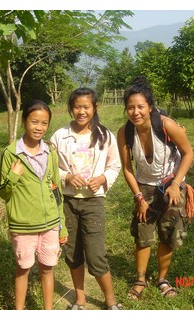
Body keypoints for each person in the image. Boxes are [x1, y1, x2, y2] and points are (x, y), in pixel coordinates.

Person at [117, 76, 193, 299]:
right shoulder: (125, 132)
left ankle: (162, 279)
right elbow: (127, 168)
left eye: (140, 106)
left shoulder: (167, 124)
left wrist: (176, 184)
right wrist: (139, 197)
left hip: (172, 182)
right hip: (145, 186)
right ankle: (140, 280)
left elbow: (188, 153)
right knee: (142, 234)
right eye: (130, 107)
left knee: (167, 233)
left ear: (149, 107)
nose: (135, 112)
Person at [50, 88, 123, 310]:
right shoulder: (59, 136)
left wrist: (102, 178)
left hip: (93, 202)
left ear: (95, 108)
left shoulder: (105, 135)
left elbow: (115, 165)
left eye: (86, 107)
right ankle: (80, 300)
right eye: (77, 107)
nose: (81, 111)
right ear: (71, 108)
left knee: (95, 254)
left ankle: (110, 301)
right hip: (68, 202)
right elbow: (51, 170)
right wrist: (67, 177)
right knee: (72, 252)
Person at [0, 100, 68, 310]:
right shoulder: (11, 153)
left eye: (44, 123)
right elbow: (4, 192)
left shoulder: (50, 152)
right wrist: (13, 175)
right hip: (23, 225)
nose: (39, 127)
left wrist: (61, 224)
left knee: (47, 269)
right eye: (34, 121)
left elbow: (57, 191)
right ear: (24, 122)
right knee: (23, 269)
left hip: (50, 224)